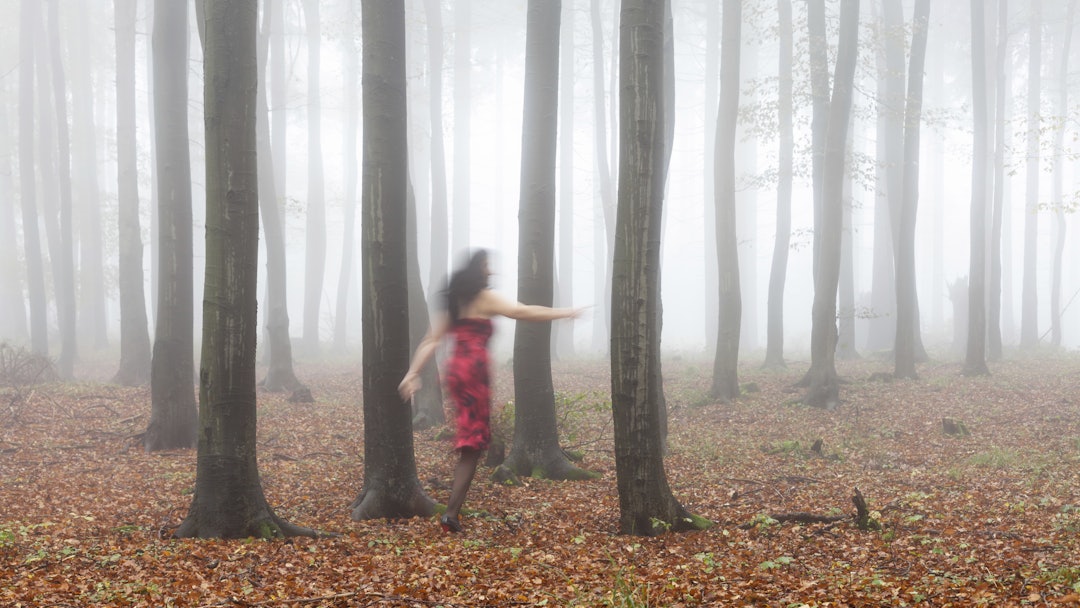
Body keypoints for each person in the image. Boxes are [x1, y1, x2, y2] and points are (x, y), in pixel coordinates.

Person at [398, 249, 582, 533]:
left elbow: (430, 340)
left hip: (458, 372)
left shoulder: (456, 302)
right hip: (473, 374)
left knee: (473, 443)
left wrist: (412, 373)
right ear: (477, 269)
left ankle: (452, 512)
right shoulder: (484, 298)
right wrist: (564, 313)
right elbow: (522, 311)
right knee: (472, 446)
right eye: (486, 266)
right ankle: (450, 515)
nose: (491, 271)